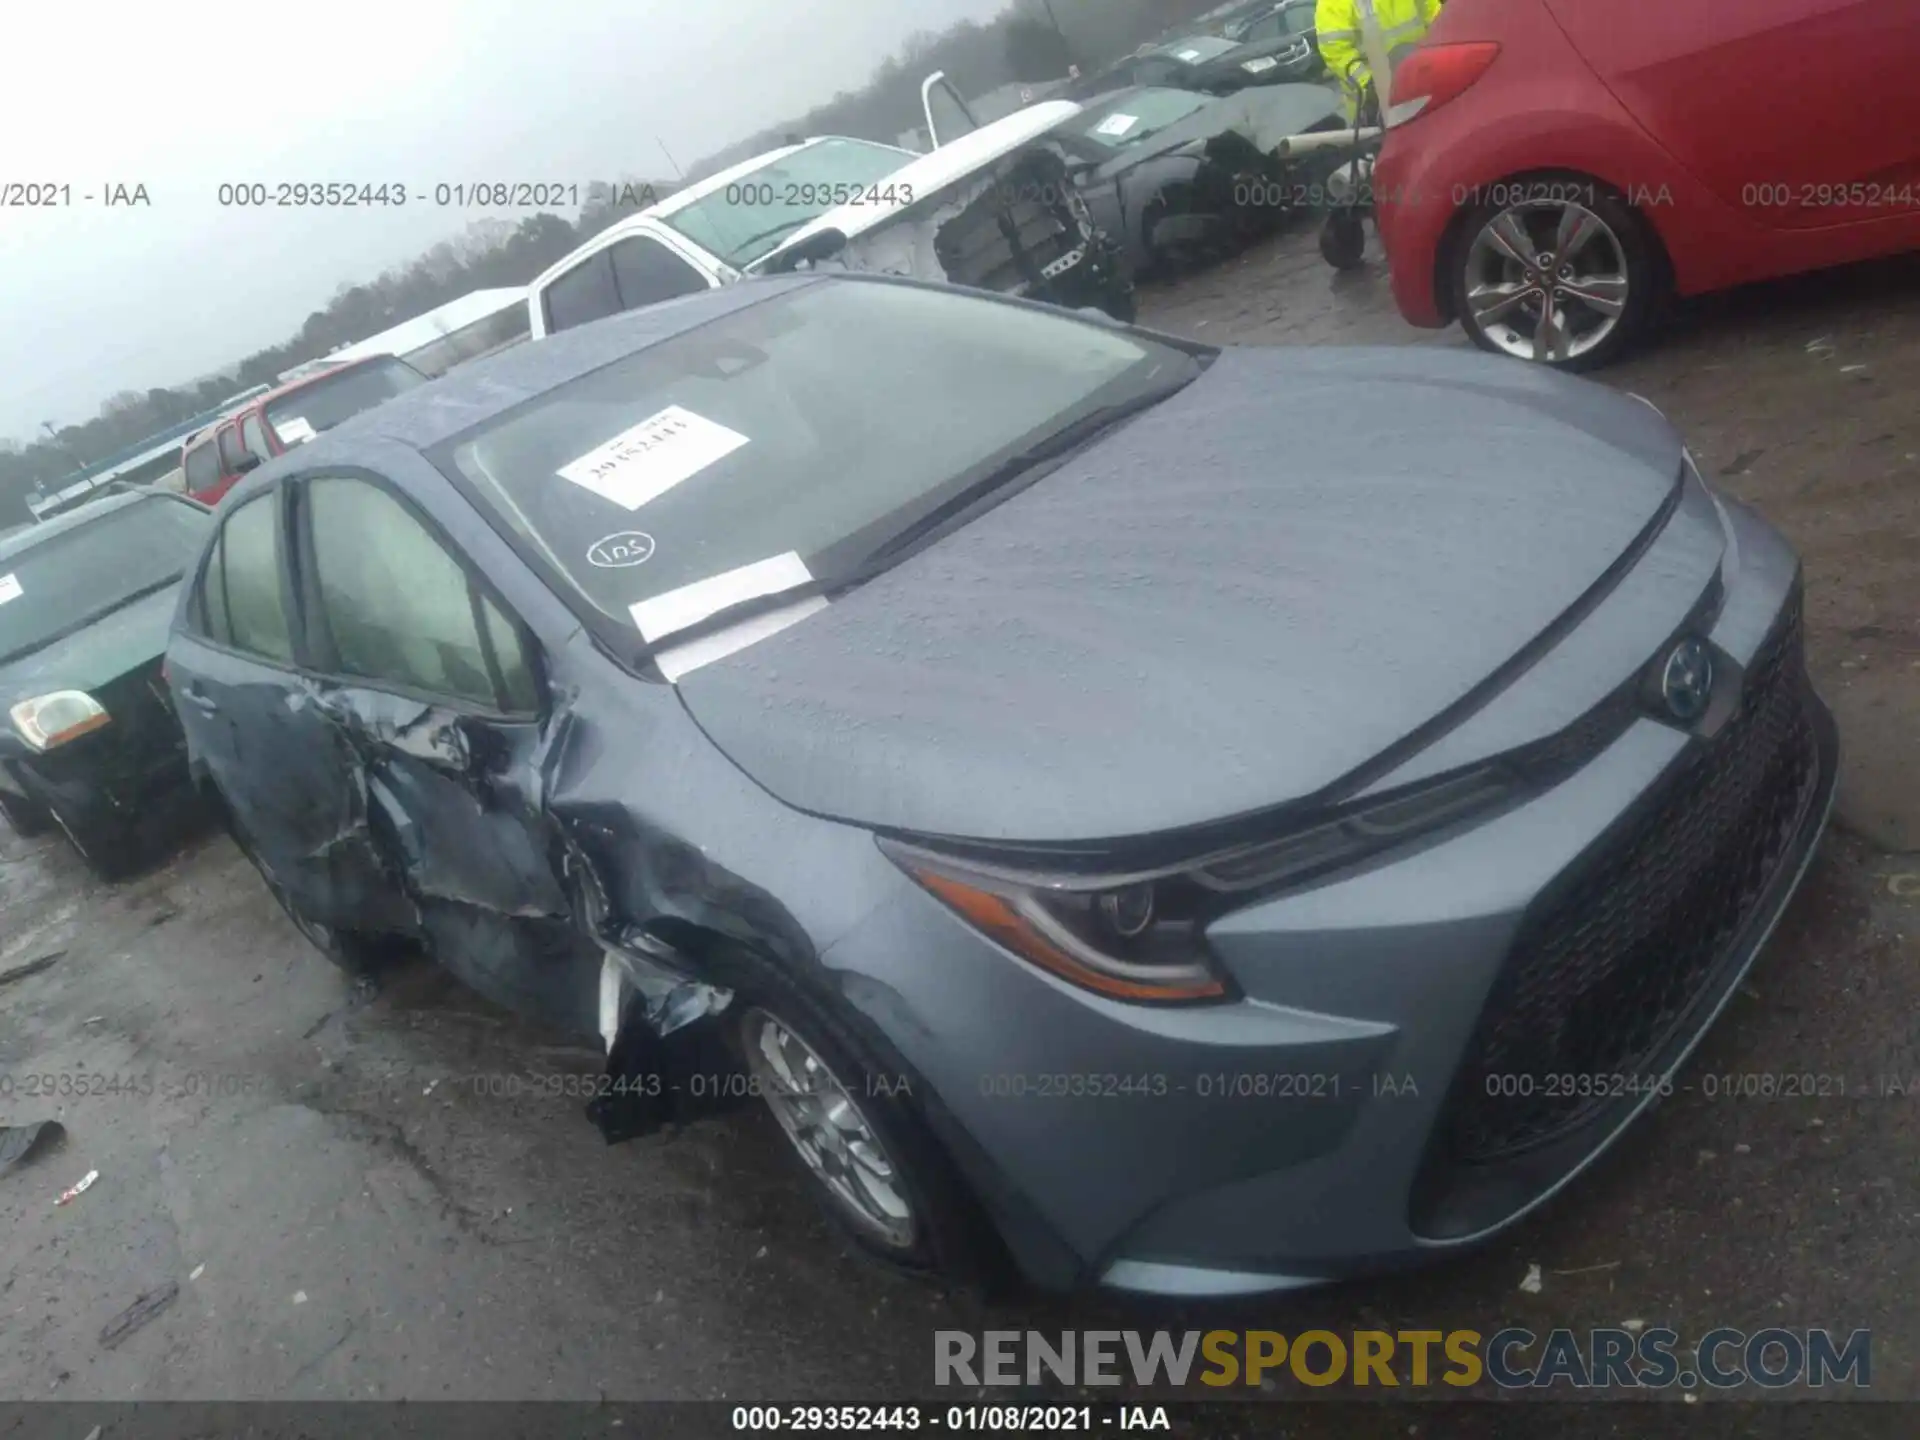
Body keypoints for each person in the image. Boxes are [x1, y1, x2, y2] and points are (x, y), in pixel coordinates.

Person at [1314, 0, 1442, 122]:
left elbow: (1436, 17)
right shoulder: (1332, 3)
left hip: (1422, 86)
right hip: (1373, 107)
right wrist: (1368, 83)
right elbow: (1336, 51)